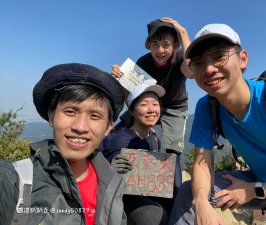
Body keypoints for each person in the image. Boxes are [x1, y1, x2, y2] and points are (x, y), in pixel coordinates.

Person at [168, 24, 266, 225]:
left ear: (243, 59)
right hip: (259, 178)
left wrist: (255, 189)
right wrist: (201, 203)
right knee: (189, 193)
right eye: (199, 63)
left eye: (219, 56)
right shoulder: (208, 106)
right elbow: (202, 162)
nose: (209, 69)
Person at [0, 63, 127, 225]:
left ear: (108, 128)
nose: (80, 127)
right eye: (70, 112)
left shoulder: (113, 185)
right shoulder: (13, 181)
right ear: (51, 116)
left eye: (95, 116)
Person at [112, 17, 194, 192]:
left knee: (173, 151)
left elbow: (191, 71)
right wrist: (122, 81)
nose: (160, 50)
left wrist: (184, 32)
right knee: (120, 128)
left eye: (166, 44)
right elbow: (131, 100)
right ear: (149, 45)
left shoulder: (180, 59)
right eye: (155, 44)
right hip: (149, 103)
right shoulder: (143, 63)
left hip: (175, 108)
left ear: (176, 45)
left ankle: (175, 192)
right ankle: (112, 172)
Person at [100, 83, 173, 225]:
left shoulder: (152, 138)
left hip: (142, 195)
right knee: (154, 215)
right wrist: (111, 168)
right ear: (132, 111)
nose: (151, 109)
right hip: (118, 201)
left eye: (155, 104)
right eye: (144, 104)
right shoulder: (120, 141)